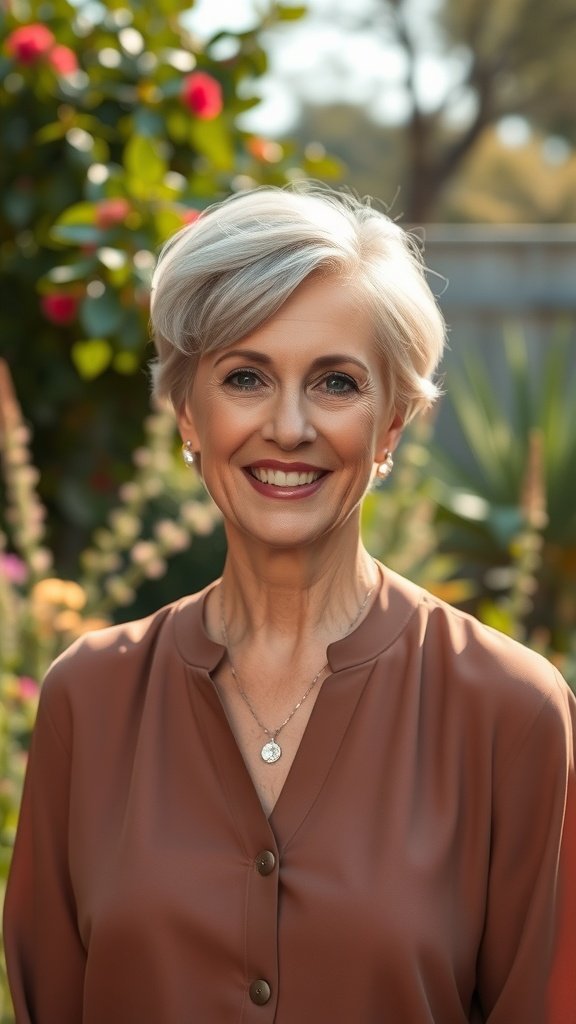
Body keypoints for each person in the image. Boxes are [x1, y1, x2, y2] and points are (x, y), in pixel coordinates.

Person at [3, 184, 575, 1024]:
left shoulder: (511, 713)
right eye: (245, 377)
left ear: (391, 426)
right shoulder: (88, 701)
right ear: (187, 413)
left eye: (337, 383)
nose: (290, 426)